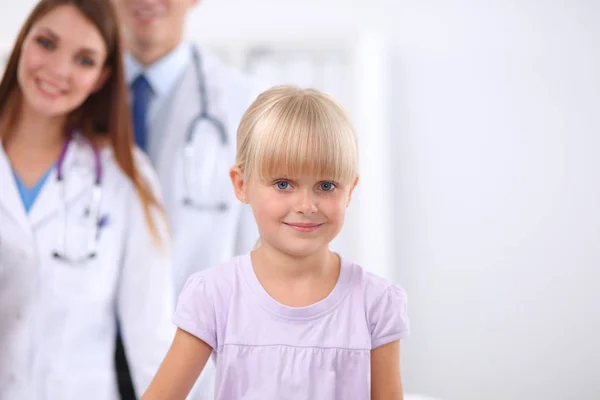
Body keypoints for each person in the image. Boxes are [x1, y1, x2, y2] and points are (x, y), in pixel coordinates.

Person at [141, 86, 411, 400]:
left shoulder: (376, 303)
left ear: (350, 190)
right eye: (283, 184)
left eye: (326, 185)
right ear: (241, 185)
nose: (307, 205)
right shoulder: (214, 295)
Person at [0, 0, 175, 399]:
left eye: (84, 59)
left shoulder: (125, 180)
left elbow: (152, 343)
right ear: (22, 42)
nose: (59, 69)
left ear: (102, 77)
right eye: (46, 43)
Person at [112, 1, 260, 397]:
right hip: (84, 358)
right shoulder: (67, 92)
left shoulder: (243, 103)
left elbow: (264, 254)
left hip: (193, 355)